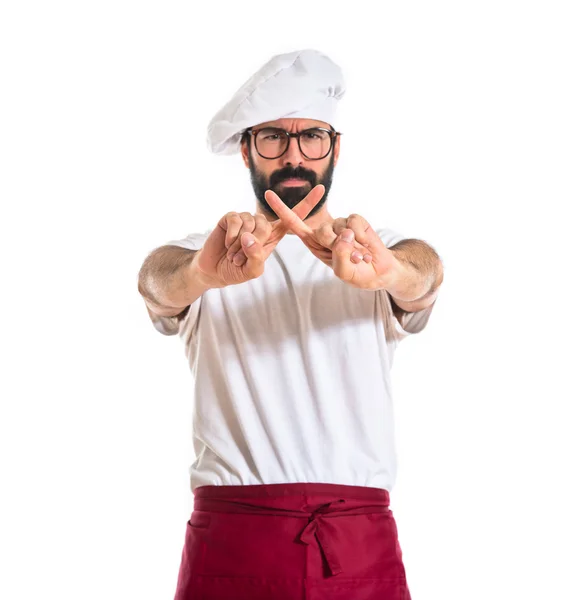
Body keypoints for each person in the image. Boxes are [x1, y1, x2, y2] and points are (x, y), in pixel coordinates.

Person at [137, 49, 443, 600]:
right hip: (233, 538)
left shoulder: (378, 254)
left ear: (335, 147)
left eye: (311, 137)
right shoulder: (206, 256)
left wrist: (390, 271)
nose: (294, 155)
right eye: (274, 137)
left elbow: (424, 276)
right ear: (248, 151)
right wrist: (201, 273)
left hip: (355, 539)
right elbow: (156, 284)